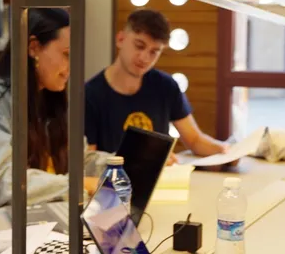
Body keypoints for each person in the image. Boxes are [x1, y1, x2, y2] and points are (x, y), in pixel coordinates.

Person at [0, 8, 107, 218]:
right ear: (33, 47)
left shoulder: (50, 99)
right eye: (67, 55)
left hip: (26, 221)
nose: (73, 66)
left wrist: (121, 167)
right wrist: (78, 185)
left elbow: (78, 159)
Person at [85, 9, 229, 162]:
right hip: (114, 177)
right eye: (139, 46)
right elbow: (88, 162)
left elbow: (194, 140)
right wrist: (147, 159)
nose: (144, 58)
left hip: (161, 177)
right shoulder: (89, 95)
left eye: (154, 52)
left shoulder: (166, 86)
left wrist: (225, 151)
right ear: (120, 39)